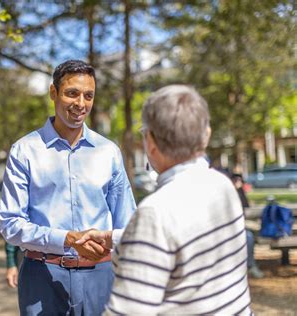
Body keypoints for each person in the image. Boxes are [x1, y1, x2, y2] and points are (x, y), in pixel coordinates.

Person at [78, 85, 252, 314]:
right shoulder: (222, 185)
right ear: (206, 135)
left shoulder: (155, 212)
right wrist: (112, 237)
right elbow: (181, 233)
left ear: (150, 141)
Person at [0, 60, 136, 315]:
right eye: (72, 93)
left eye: (88, 95)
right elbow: (10, 224)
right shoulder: (25, 151)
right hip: (42, 278)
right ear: (53, 93)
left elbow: (127, 224)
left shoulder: (109, 152)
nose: (80, 103)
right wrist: (66, 239)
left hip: (101, 277)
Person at [231, 173, 264, 279]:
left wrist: (239, 190)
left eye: (240, 180)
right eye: (235, 180)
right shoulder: (225, 193)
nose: (238, 182)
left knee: (248, 237)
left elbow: (246, 206)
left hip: (238, 228)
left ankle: (251, 265)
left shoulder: (239, 192)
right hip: (225, 230)